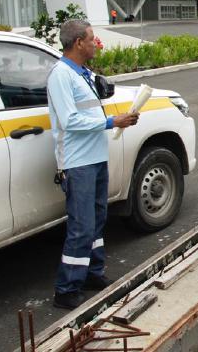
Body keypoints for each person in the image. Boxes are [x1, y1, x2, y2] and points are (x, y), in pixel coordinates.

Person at [47, 19, 140, 309]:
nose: (95, 43)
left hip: (95, 158)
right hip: (78, 163)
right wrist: (112, 121)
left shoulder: (81, 72)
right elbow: (70, 120)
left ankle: (92, 273)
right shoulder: (61, 75)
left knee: (97, 221)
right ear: (78, 43)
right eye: (91, 39)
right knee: (81, 225)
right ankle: (66, 288)